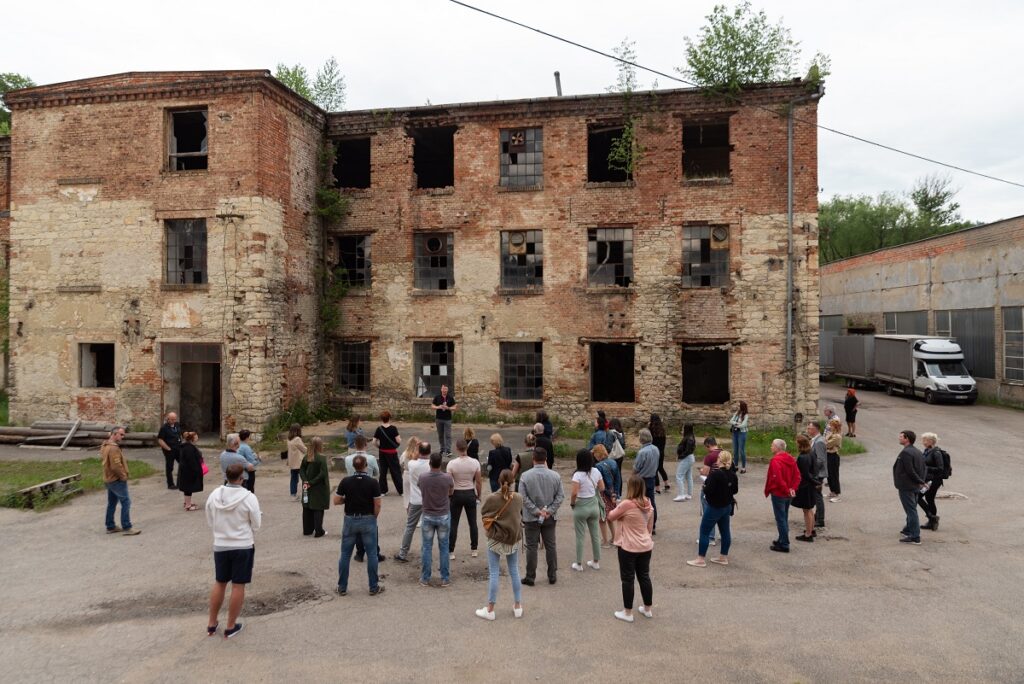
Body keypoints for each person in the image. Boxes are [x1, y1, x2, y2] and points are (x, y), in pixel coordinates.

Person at [206, 462, 261, 638]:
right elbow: (257, 523)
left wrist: (219, 531)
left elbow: (209, 517)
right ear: (242, 478)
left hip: (221, 544)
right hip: (242, 544)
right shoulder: (248, 497)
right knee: (238, 585)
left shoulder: (215, 495)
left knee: (220, 582)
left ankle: (212, 623)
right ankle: (230, 626)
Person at [475, 469, 524, 621]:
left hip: (496, 538)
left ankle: (490, 609)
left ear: (498, 481)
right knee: (514, 571)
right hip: (512, 538)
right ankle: (517, 606)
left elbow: (484, 514)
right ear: (513, 482)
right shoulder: (518, 498)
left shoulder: (492, 498)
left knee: (494, 572)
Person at [334, 455, 385, 596]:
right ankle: (373, 586)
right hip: (368, 518)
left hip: (350, 519)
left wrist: (348, 499)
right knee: (372, 554)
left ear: (353, 466)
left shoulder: (346, 481)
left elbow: (336, 500)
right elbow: (378, 503)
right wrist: (374, 516)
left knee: (345, 554)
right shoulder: (373, 482)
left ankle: (342, 587)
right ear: (365, 466)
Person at [606, 475, 654, 623]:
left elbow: (610, 517)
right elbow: (649, 526)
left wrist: (616, 505)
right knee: (644, 576)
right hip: (645, 544)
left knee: (627, 579)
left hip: (628, 546)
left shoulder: (627, 504)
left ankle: (628, 612)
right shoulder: (648, 503)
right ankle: (647, 609)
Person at [519, 447, 564, 585]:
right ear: (545, 459)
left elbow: (523, 497)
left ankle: (530, 576)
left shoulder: (525, 476)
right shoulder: (555, 476)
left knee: (531, 547)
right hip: (549, 517)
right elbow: (560, 496)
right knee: (551, 546)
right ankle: (552, 575)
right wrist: (549, 511)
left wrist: (536, 511)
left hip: (531, 517)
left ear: (533, 458)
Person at [687, 450, 738, 567]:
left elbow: (708, 490)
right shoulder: (732, 474)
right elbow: (735, 490)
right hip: (727, 506)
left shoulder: (716, 474)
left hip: (715, 506)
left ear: (719, 460)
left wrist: (705, 486)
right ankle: (723, 557)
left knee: (704, 531)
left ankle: (700, 559)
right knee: (725, 531)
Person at [419, 452, 455, 587]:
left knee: (427, 547)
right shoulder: (447, 478)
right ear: (441, 464)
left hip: (428, 514)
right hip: (443, 515)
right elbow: (451, 491)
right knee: (444, 547)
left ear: (430, 463)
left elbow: (420, 489)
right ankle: (445, 578)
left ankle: (425, 577)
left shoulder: (423, 477)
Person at [345, 435, 383, 562]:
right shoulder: (371, 458)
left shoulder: (348, 459)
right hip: (369, 491)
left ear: (355, 445)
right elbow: (377, 473)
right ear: (365, 445)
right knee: (371, 525)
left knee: (356, 524)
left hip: (352, 492)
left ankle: (360, 552)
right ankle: (375, 552)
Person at [395, 441, 432, 563]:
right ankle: (426, 553)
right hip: (428, 500)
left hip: (416, 500)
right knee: (428, 528)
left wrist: (416, 448)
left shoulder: (412, 464)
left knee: (410, 527)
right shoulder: (431, 465)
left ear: (419, 451)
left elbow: (413, 457)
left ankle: (403, 553)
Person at [102, 426, 141, 535]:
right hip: (116, 479)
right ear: (114, 434)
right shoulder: (113, 448)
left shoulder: (105, 445)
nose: (123, 437)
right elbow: (116, 466)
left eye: (123, 434)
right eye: (121, 434)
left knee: (112, 503)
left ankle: (110, 526)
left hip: (109, 479)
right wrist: (123, 476)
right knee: (126, 502)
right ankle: (127, 527)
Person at [570, 448, 605, 571]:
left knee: (580, 536)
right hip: (593, 505)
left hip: (581, 506)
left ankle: (579, 564)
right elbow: (602, 488)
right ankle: (596, 561)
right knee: (595, 534)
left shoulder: (577, 475)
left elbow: (574, 493)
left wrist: (572, 503)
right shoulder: (596, 471)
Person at [447, 438, 482, 560]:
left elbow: (449, 483)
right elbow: (478, 481)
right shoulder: (475, 462)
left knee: (454, 523)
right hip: (470, 492)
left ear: (457, 449)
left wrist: (450, 495)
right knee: (472, 523)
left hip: (456, 493)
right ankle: (474, 549)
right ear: (466, 448)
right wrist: (479, 495)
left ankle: (450, 550)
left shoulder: (451, 464)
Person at [764, 438, 800, 553]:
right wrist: (792, 489)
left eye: (772, 445)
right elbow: (797, 476)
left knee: (780, 519)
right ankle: (782, 539)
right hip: (788, 493)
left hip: (779, 493)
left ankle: (784, 544)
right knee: (784, 517)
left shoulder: (775, 461)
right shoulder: (790, 458)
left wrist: (786, 490)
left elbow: (778, 479)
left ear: (777, 447)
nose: (771, 447)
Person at [894, 430, 927, 544]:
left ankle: (915, 536)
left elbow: (910, 471)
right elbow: (924, 468)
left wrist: (920, 481)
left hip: (907, 486)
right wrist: (921, 481)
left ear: (907, 439)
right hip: (914, 486)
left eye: (901, 437)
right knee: (911, 509)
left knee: (911, 510)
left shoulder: (906, 453)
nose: (899, 438)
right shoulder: (917, 451)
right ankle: (908, 529)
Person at [300, 436, 330, 538]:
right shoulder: (321, 458)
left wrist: (305, 481)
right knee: (318, 508)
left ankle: (307, 530)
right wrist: (311, 482)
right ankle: (318, 531)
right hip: (318, 487)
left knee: (307, 507)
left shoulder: (307, 457)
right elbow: (322, 474)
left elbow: (302, 470)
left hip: (306, 486)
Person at [791, 435, 819, 542]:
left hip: (805, 486)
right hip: (810, 486)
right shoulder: (811, 453)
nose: (796, 444)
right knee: (810, 509)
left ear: (800, 444)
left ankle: (808, 534)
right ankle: (811, 530)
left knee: (806, 511)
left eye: (797, 443)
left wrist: (815, 482)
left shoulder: (803, 457)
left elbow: (805, 474)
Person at [593, 444, 620, 547]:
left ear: (597, 454)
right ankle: (614, 538)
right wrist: (615, 494)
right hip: (613, 492)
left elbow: (602, 484)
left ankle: (605, 541)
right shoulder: (614, 462)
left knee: (602, 518)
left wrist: (609, 493)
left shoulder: (598, 466)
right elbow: (618, 479)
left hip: (604, 494)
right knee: (611, 516)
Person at [633, 428, 660, 534]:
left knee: (640, 503)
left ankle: (642, 525)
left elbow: (637, 467)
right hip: (651, 478)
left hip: (641, 479)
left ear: (642, 438)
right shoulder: (655, 449)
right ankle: (652, 525)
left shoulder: (642, 452)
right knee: (651, 503)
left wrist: (632, 476)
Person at [698, 436, 723, 545]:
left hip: (710, 486)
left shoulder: (710, 456)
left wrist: (701, 471)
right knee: (722, 512)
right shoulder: (725, 453)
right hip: (723, 487)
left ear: (708, 445)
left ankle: (710, 537)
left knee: (708, 512)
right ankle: (723, 535)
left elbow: (705, 472)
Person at [919, 432, 946, 531]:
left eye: (924, 440)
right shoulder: (927, 451)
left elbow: (940, 468)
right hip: (928, 479)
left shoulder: (936, 452)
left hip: (934, 480)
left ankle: (932, 518)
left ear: (930, 441)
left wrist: (926, 468)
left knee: (918, 496)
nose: (923, 442)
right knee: (929, 499)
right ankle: (932, 522)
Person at [373, 411, 403, 496]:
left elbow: (374, 441)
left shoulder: (379, 429)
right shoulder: (393, 428)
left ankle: (383, 491)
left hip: (382, 452)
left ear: (381, 419)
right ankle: (401, 490)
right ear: (389, 418)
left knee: (383, 471)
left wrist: (379, 446)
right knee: (395, 471)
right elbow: (398, 440)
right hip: (392, 453)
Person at [807, 421, 828, 529]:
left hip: (818, 473)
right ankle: (818, 516)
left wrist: (811, 469)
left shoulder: (819, 442)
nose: (808, 430)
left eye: (810, 428)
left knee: (817, 496)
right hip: (817, 472)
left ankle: (820, 519)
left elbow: (820, 460)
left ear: (816, 429)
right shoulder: (815, 440)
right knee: (817, 495)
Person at [177, 431, 205, 511]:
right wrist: (197, 471)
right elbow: (191, 461)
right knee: (188, 488)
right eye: (196, 437)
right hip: (189, 471)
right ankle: (188, 505)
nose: (197, 438)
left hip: (186, 470)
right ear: (192, 439)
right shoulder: (189, 448)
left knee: (187, 488)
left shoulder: (187, 446)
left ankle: (187, 502)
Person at [157, 411, 183, 490]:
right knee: (169, 467)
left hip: (178, 448)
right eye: (172, 419)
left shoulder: (177, 425)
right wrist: (168, 448)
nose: (173, 421)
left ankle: (180, 482)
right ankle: (170, 484)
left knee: (182, 464)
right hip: (169, 449)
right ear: (168, 419)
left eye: (175, 419)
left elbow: (179, 434)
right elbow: (160, 440)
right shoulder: (164, 428)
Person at [432, 384, 457, 457]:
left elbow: (455, 407)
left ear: (447, 390)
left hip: (447, 419)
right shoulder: (437, 397)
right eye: (443, 389)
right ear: (441, 389)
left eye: (446, 389)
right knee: (440, 435)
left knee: (448, 435)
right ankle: (442, 449)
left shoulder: (450, 397)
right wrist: (438, 407)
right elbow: (432, 406)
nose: (444, 390)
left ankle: (448, 450)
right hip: (439, 419)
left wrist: (448, 408)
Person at [674, 424, 696, 502]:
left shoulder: (689, 438)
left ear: (686, 429)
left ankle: (681, 495)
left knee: (679, 475)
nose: (682, 430)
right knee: (688, 476)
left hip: (687, 458)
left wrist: (680, 456)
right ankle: (689, 494)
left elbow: (687, 451)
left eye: (683, 428)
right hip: (689, 457)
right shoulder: (690, 437)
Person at [648, 414, 670, 493]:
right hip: (661, 451)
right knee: (660, 467)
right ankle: (666, 484)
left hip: (654, 451)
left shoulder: (651, 429)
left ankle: (657, 488)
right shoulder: (662, 429)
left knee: (655, 470)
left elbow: (649, 440)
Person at [729, 401, 750, 474]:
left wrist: (736, 424)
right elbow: (731, 421)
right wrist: (737, 423)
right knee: (735, 450)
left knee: (741, 450)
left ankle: (743, 468)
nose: (737, 407)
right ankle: (736, 466)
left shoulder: (746, 415)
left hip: (742, 433)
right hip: (735, 433)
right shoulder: (737, 413)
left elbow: (743, 425)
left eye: (739, 405)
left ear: (742, 406)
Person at [825, 418, 843, 502]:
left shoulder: (837, 436)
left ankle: (837, 493)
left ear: (835, 427)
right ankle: (832, 491)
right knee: (829, 474)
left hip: (833, 456)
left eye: (831, 425)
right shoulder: (831, 434)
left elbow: (827, 444)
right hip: (828, 455)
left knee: (834, 475)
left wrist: (826, 439)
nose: (829, 427)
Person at [287, 424, 307, 499]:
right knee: (305, 479)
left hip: (292, 463)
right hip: (299, 462)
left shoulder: (289, 439)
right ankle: (305, 495)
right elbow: (304, 449)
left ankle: (293, 494)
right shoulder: (297, 439)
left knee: (293, 479)